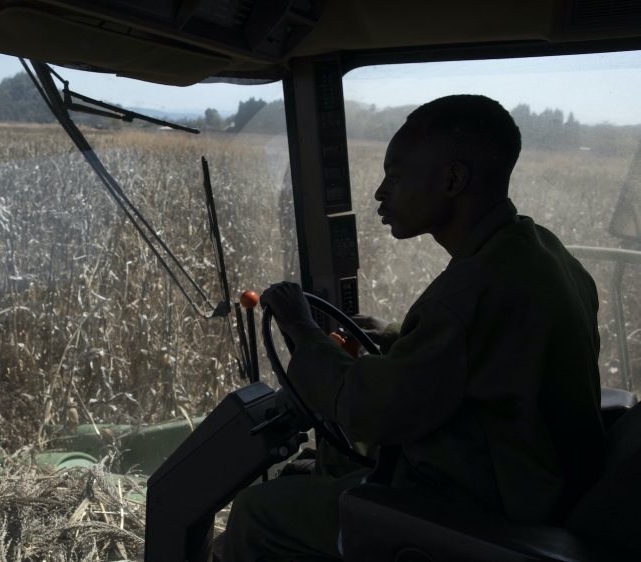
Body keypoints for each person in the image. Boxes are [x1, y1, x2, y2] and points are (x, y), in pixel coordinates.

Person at [222, 95, 604, 561]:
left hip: (479, 512)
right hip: (535, 482)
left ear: (453, 180)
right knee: (331, 460)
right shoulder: (542, 254)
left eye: (396, 177)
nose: (381, 192)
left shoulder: (470, 291)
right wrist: (392, 337)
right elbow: (486, 357)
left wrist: (303, 331)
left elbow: (372, 409)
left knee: (257, 512)